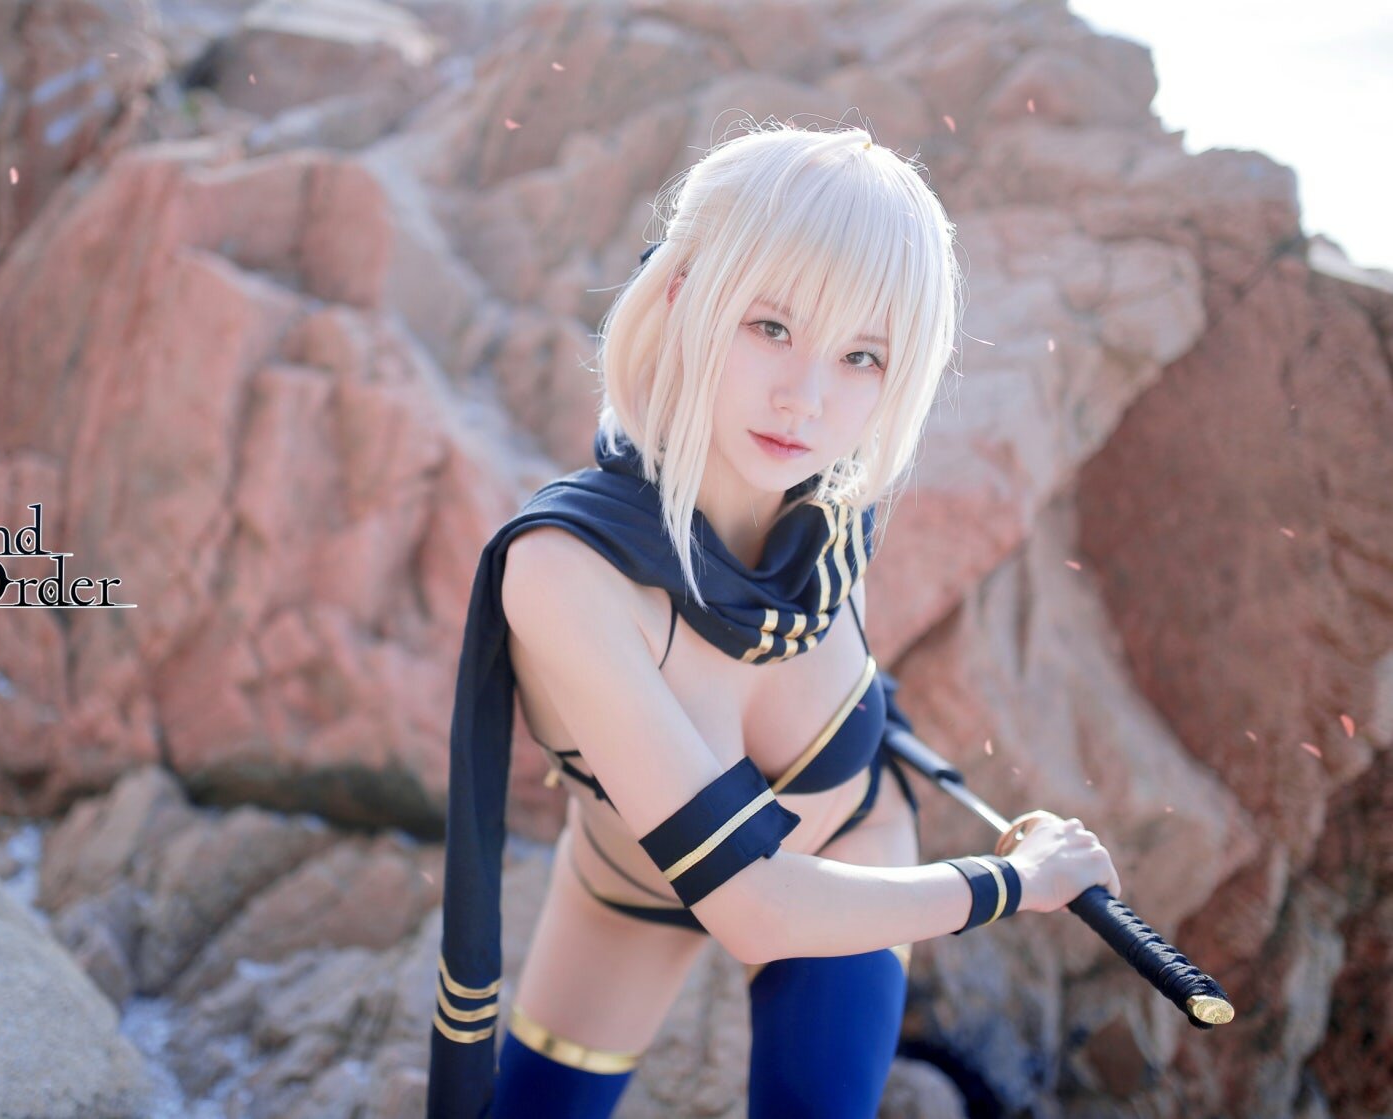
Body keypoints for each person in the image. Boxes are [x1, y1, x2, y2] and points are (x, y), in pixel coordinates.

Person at [426, 121, 1121, 1119]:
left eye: (863, 355)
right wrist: (1012, 882)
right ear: (684, 295)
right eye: (772, 328)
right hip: (631, 892)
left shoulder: (834, 518)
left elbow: (852, 672)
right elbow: (750, 903)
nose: (807, 399)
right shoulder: (562, 573)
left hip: (854, 853)